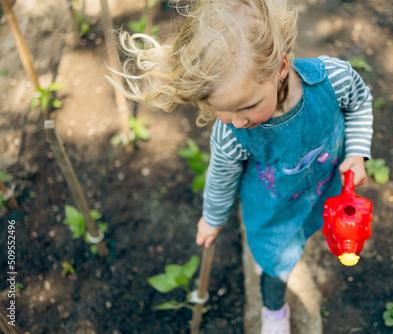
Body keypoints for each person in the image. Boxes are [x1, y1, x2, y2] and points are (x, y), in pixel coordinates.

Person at [108, 1, 373, 332]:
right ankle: (274, 312)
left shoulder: (334, 80)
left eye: (248, 106)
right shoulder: (231, 133)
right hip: (273, 209)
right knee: (276, 262)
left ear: (280, 67)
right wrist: (212, 218)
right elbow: (221, 177)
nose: (238, 121)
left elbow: (360, 104)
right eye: (223, 110)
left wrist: (357, 152)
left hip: (324, 186)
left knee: (311, 228)